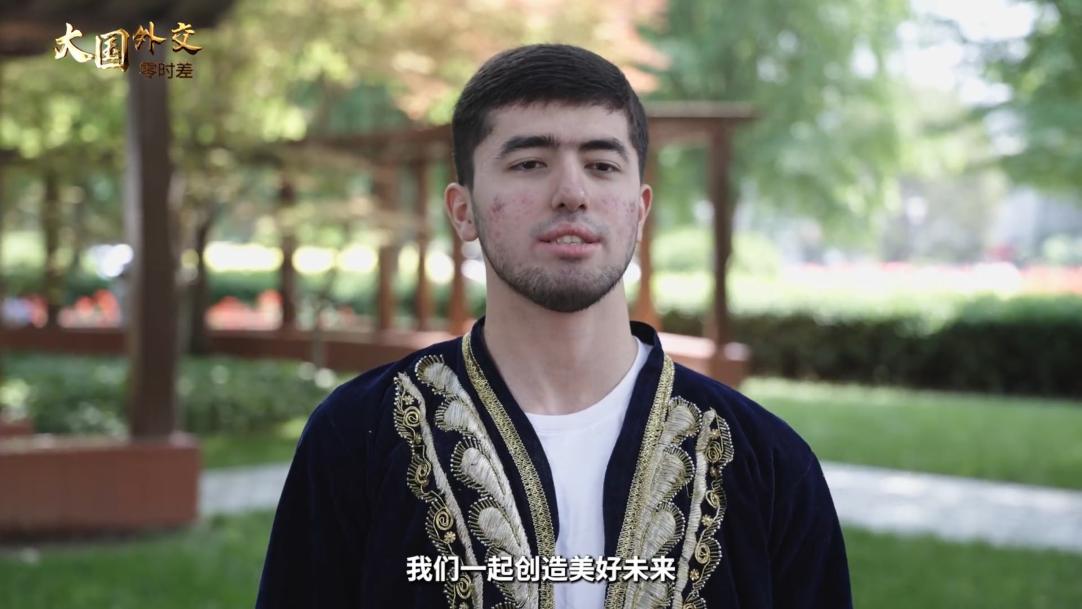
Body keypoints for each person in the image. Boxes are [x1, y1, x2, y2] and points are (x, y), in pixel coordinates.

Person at [256, 44, 851, 609]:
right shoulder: (357, 439)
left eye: (601, 164)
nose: (571, 193)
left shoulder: (767, 463)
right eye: (530, 163)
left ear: (639, 209)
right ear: (463, 211)